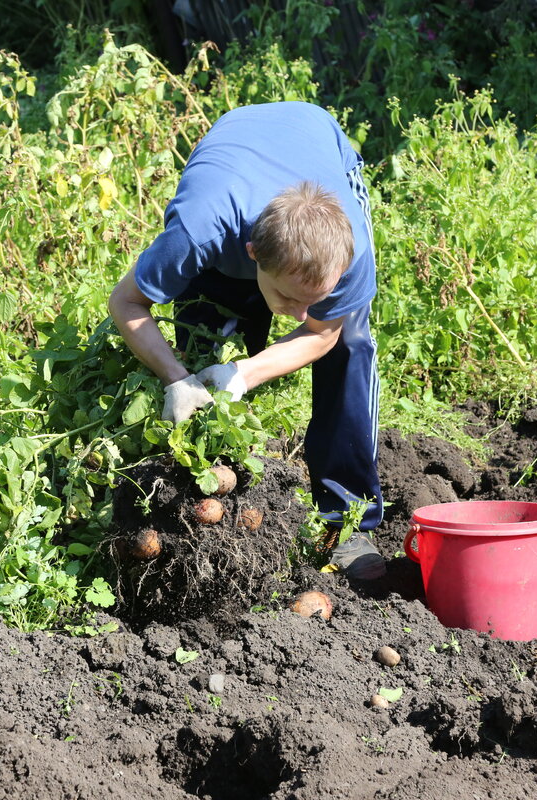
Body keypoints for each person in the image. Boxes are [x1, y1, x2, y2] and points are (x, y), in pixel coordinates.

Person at [107, 101, 385, 580]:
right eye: (290, 297)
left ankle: (347, 522)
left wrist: (244, 372)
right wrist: (177, 377)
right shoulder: (199, 232)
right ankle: (206, 522)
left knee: (350, 347)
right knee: (207, 334)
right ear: (252, 252)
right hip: (234, 165)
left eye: (311, 299)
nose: (300, 315)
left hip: (315, 136)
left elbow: (322, 333)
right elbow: (125, 304)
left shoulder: (350, 251)